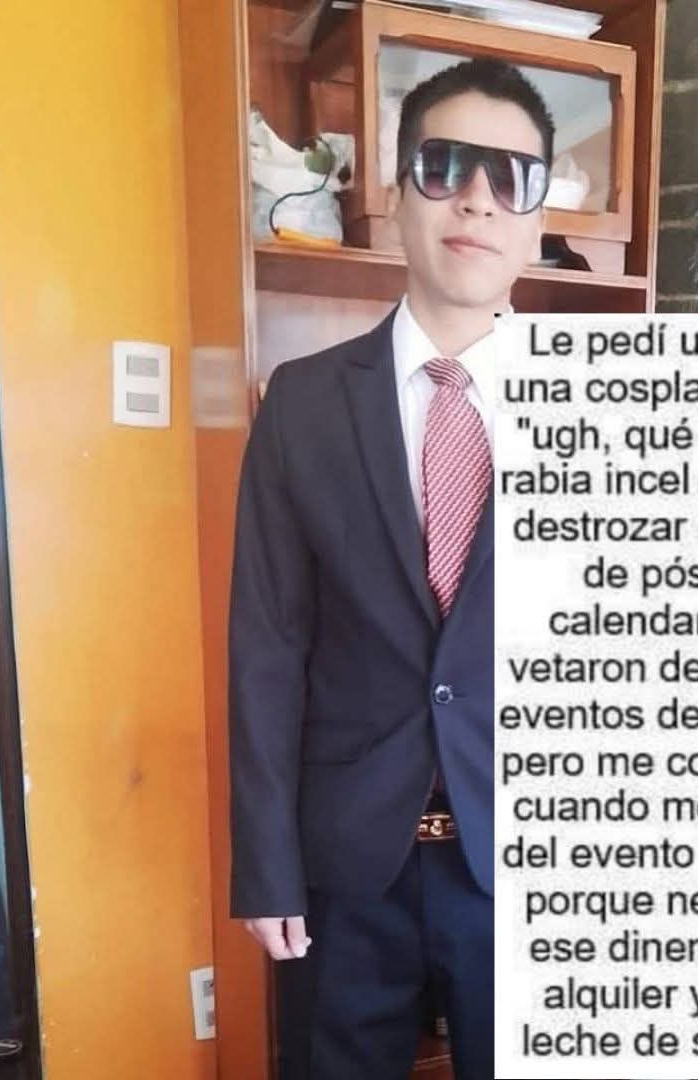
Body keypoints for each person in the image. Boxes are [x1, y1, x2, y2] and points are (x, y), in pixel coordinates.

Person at [228, 57, 553, 1080]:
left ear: (537, 217)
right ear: (394, 191)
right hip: (345, 870)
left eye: (513, 177)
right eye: (446, 164)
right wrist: (265, 864)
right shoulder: (301, 403)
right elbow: (267, 646)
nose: (478, 199)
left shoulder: (613, 417)